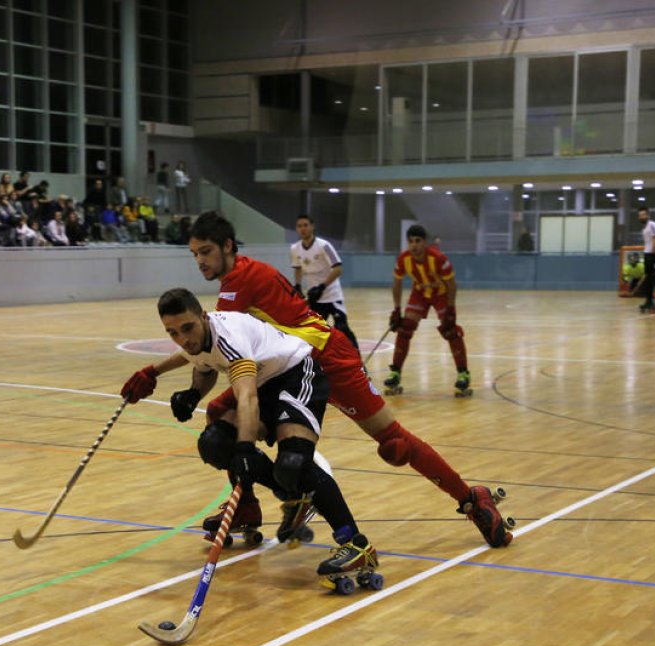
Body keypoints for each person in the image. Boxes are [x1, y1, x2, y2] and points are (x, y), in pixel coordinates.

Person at [121, 213, 513, 549]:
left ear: (227, 247)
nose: (200, 261)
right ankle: (250, 504)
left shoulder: (240, 282)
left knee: (393, 441)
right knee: (221, 418)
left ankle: (471, 498)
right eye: (194, 254)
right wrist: (161, 375)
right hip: (287, 366)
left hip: (327, 357)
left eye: (205, 252)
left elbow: (209, 345)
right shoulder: (237, 280)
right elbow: (210, 349)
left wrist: (156, 373)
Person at [140, 288, 380, 587]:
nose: (183, 338)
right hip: (266, 384)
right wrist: (189, 392)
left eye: (187, 328)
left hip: (296, 374)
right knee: (215, 443)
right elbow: (202, 364)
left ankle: (356, 544)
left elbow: (248, 398)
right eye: (172, 332)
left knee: (293, 462)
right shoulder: (194, 339)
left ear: (203, 316)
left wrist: (245, 448)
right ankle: (295, 493)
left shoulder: (229, 338)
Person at [385, 225, 472, 397]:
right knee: (404, 328)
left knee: (450, 330)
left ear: (425, 242)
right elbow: (397, 283)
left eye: (417, 241)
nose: (414, 245)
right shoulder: (404, 259)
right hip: (420, 293)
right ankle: (395, 372)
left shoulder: (438, 258)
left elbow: (452, 285)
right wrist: (396, 309)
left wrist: (450, 309)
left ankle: (463, 374)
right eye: (410, 241)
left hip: (441, 293)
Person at [290, 214, 359, 351]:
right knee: (314, 332)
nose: (303, 229)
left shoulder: (324, 246)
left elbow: (338, 268)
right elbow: (298, 268)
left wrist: (322, 286)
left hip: (332, 295)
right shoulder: (295, 249)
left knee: (342, 328)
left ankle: (357, 361)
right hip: (315, 298)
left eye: (305, 225)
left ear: (312, 227)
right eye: (299, 226)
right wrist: (297, 285)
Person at [637, 207, 655, 314]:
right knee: (648, 279)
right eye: (640, 215)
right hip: (648, 253)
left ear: (648, 215)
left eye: (643, 215)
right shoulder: (644, 229)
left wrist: (653, 254)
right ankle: (648, 301)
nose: (641, 217)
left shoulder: (652, 225)